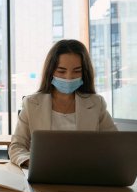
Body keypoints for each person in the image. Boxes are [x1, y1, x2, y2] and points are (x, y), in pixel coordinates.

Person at [9, 39, 117, 167]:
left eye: (77, 71)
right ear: (51, 71)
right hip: (44, 174)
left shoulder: (96, 103)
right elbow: (17, 146)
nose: (69, 77)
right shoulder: (31, 103)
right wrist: (32, 162)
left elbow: (114, 145)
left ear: (84, 72)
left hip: (86, 173)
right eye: (61, 71)